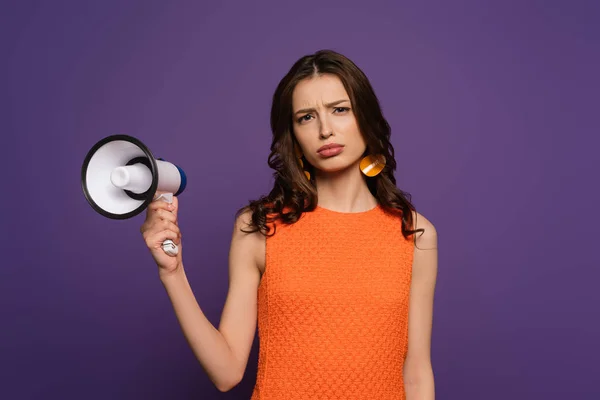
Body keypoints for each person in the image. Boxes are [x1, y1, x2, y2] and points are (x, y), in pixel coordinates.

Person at [140, 49, 438, 399]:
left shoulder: (414, 234)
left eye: (339, 110)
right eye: (306, 117)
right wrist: (172, 274)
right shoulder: (259, 227)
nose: (326, 130)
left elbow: (416, 374)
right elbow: (226, 373)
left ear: (366, 118)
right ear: (293, 134)